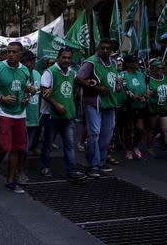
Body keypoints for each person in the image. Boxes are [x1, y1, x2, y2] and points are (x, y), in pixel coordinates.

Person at [0, 42, 33, 194]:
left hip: (20, 113)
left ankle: (10, 180)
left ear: (20, 55)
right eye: (8, 51)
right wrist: (1, 98)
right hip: (3, 111)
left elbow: (25, 88)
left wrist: (26, 97)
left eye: (14, 52)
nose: (10, 54)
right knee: (4, 147)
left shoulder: (25, 70)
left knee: (18, 147)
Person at [75, 38, 123, 177]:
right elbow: (77, 79)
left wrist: (118, 85)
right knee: (94, 133)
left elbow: (113, 80)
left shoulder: (113, 63)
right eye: (102, 48)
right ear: (98, 48)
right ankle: (93, 165)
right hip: (93, 103)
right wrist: (96, 88)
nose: (105, 51)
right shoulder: (91, 62)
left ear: (111, 50)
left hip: (109, 103)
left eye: (108, 49)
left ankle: (101, 162)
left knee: (107, 135)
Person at [40, 48, 87, 181]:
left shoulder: (72, 72)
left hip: (68, 115)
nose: (67, 60)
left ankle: (72, 171)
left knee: (69, 144)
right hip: (51, 115)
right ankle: (45, 166)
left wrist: (89, 83)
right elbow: (44, 91)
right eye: (64, 57)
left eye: (69, 58)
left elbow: (79, 80)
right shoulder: (50, 72)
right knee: (48, 143)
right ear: (58, 58)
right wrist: (56, 104)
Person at [121, 54, 148, 159]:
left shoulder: (141, 74)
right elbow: (124, 89)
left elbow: (145, 89)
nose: (137, 63)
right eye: (134, 61)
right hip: (128, 106)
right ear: (127, 63)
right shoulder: (123, 74)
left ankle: (135, 146)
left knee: (140, 129)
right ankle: (128, 150)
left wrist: (146, 95)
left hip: (141, 105)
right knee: (128, 128)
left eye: (137, 61)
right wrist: (132, 96)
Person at [21, 50, 40, 184]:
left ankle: (19, 170)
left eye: (33, 60)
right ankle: (19, 172)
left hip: (33, 117)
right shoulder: (19, 74)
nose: (32, 63)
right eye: (28, 60)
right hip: (20, 116)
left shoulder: (38, 74)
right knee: (21, 148)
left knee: (26, 148)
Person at [147, 59, 167, 157]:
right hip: (153, 109)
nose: (160, 70)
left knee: (166, 129)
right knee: (152, 129)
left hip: (164, 108)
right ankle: (150, 148)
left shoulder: (166, 78)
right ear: (152, 69)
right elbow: (146, 93)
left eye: (162, 68)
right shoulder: (148, 79)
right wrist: (149, 94)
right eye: (158, 68)